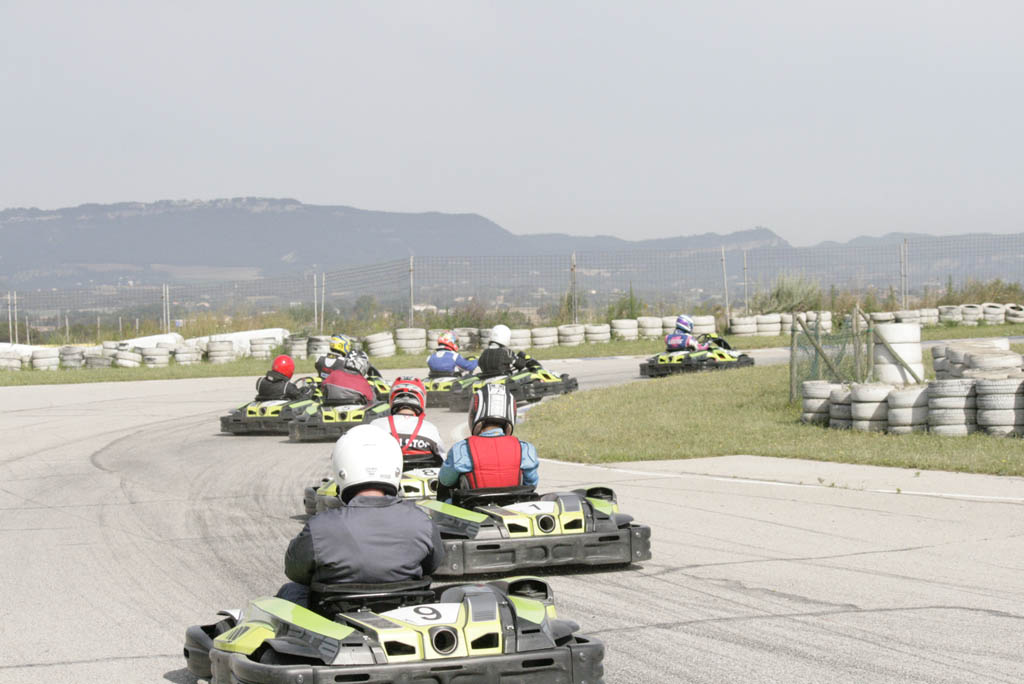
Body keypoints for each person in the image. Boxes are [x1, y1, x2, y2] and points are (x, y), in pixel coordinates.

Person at [278, 425, 445, 609]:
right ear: (396, 468)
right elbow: (433, 565)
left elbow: (295, 571)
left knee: (292, 590)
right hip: (402, 611)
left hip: (335, 614)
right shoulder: (421, 521)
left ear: (342, 470)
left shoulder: (320, 526)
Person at [439, 384, 539, 492]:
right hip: (514, 502)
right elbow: (531, 484)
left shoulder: (462, 449)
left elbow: (445, 480)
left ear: (474, 413)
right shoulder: (525, 449)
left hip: (471, 502)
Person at [370, 377, 445, 468]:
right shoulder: (430, 429)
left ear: (391, 399)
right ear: (422, 400)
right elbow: (443, 461)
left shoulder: (376, 425)